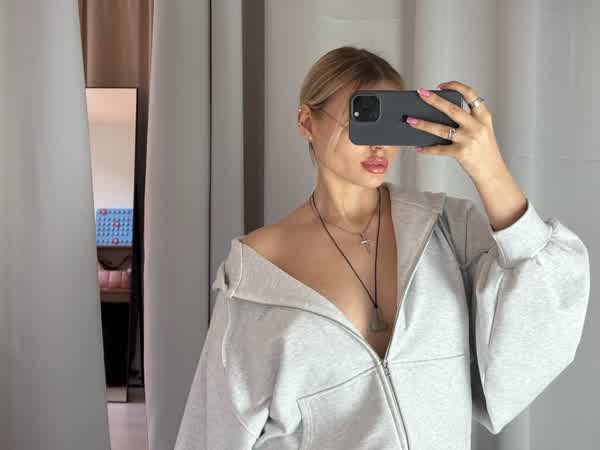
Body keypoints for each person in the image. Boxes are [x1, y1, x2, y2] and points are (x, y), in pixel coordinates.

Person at [174, 46, 590, 450]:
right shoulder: (257, 270)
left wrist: (488, 168)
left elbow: (548, 301)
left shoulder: (446, 229)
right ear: (306, 122)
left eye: (391, 123)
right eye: (362, 118)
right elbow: (215, 426)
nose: (379, 146)